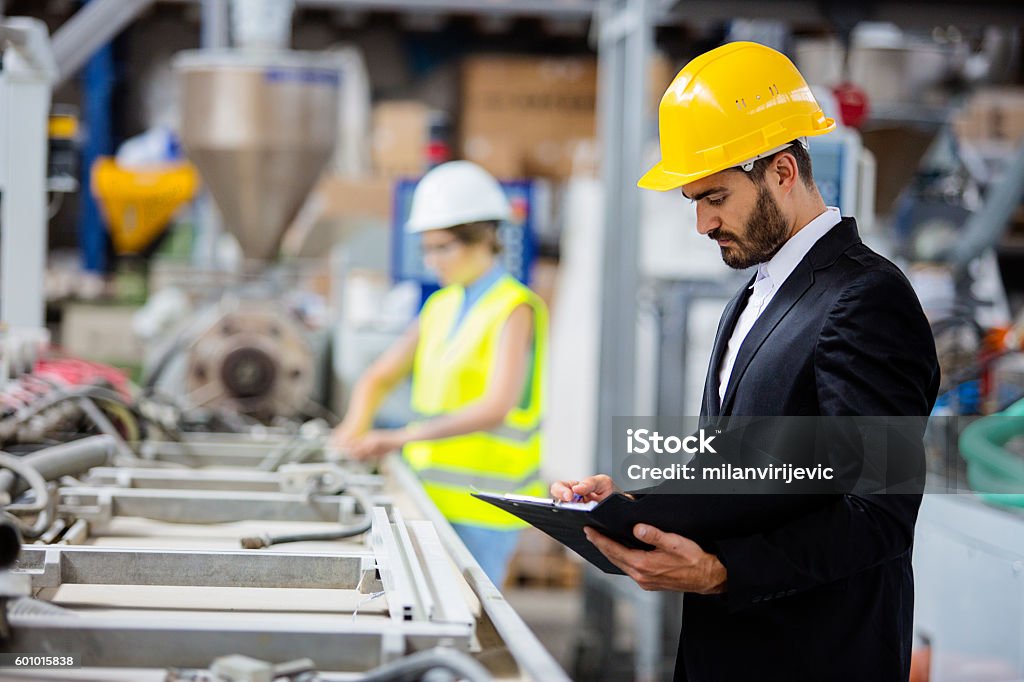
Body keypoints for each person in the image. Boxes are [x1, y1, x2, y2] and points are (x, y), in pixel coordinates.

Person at [551, 42, 940, 681]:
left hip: (816, 655)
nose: (703, 223)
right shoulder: (752, 300)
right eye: (694, 202)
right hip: (732, 647)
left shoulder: (866, 298)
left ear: (782, 171)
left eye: (716, 197)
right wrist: (637, 505)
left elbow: (880, 513)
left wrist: (723, 571)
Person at [332, 160, 547, 588]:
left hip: (486, 509)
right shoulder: (440, 306)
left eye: (444, 248)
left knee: (474, 630)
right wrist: (351, 430)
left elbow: (495, 407)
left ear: (485, 238)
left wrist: (397, 438)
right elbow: (379, 375)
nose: (433, 261)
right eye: (427, 248)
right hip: (429, 498)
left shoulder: (514, 307)